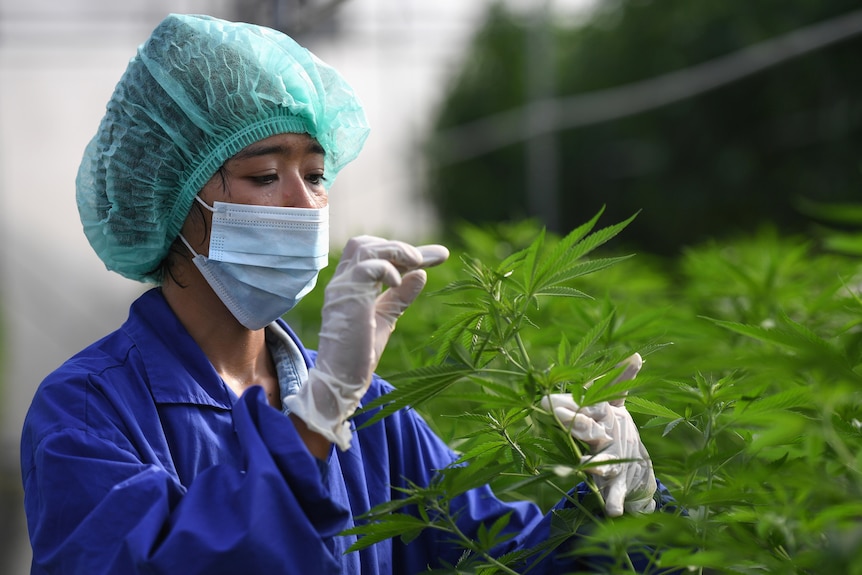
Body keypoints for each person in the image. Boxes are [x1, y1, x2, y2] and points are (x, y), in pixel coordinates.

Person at [19, 14, 668, 575]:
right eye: (266, 174)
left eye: (316, 174)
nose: (304, 203)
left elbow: (501, 556)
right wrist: (315, 419)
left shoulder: (372, 415)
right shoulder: (89, 410)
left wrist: (615, 509)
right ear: (170, 197)